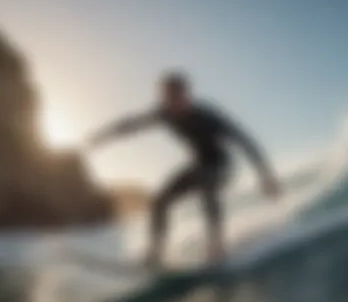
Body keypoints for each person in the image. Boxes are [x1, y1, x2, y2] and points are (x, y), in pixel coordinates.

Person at [88, 72, 280, 269]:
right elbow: (131, 124)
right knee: (160, 200)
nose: (171, 104)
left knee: (207, 180)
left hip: (223, 166)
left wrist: (266, 176)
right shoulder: (163, 113)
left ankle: (216, 244)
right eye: (166, 98)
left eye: (175, 97)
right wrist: (103, 136)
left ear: (186, 95)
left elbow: (244, 139)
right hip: (198, 166)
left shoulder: (208, 116)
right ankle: (155, 253)